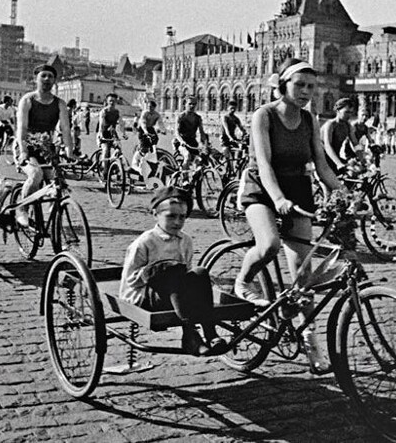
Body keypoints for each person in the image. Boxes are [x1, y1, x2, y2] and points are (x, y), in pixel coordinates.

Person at [235, 58, 343, 374]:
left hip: (297, 187)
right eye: (300, 85)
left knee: (304, 275)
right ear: (283, 85)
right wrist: (278, 198)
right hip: (262, 188)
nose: (306, 92)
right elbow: (265, 164)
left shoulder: (310, 120)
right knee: (268, 245)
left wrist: (340, 192)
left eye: (311, 86)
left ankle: (310, 343)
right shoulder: (264, 116)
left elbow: (322, 165)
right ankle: (244, 280)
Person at [120, 186, 227, 356]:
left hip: (175, 295)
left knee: (199, 272)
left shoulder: (185, 241)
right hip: (145, 297)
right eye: (171, 216)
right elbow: (129, 282)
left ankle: (210, 332)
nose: (177, 222)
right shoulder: (145, 242)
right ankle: (190, 334)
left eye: (182, 217)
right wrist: (154, 271)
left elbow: (188, 272)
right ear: (155, 215)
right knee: (171, 272)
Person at [14, 64, 74, 227]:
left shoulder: (60, 103)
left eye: (50, 76)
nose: (47, 79)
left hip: (46, 148)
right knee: (36, 174)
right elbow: (22, 128)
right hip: (26, 145)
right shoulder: (27, 100)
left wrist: (69, 151)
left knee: (58, 179)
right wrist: (24, 150)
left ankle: (53, 214)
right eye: (43, 76)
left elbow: (66, 129)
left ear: (55, 81)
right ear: (36, 79)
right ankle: (22, 209)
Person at [321, 97, 360, 174]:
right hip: (321, 159)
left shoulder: (348, 125)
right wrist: (338, 163)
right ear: (338, 110)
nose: (349, 115)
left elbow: (355, 144)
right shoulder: (330, 124)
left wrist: (363, 159)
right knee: (331, 184)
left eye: (351, 112)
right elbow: (328, 145)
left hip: (335, 157)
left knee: (353, 174)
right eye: (346, 112)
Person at [97, 93, 127, 178]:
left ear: (116, 102)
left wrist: (124, 134)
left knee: (119, 149)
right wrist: (100, 135)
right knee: (106, 150)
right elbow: (101, 124)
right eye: (110, 101)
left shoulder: (117, 112)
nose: (112, 103)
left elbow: (121, 124)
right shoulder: (104, 111)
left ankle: (116, 166)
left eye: (114, 101)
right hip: (103, 134)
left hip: (113, 134)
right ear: (107, 101)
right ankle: (105, 171)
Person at [176, 96, 209, 169]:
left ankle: (195, 179)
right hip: (182, 143)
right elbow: (177, 132)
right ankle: (185, 178)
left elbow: (201, 132)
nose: (192, 106)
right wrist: (181, 141)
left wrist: (205, 143)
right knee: (187, 156)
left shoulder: (198, 118)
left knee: (200, 160)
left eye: (194, 104)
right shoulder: (181, 117)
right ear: (185, 104)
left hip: (193, 142)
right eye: (190, 104)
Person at [131, 100, 165, 171]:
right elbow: (143, 122)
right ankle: (136, 159)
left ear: (154, 107)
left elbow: (160, 123)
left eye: (151, 107)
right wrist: (145, 131)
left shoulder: (157, 115)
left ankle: (151, 154)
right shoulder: (145, 113)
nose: (149, 108)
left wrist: (163, 130)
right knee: (144, 145)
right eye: (148, 106)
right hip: (142, 128)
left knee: (155, 139)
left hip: (150, 128)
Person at [220, 99, 247, 174]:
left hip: (233, 138)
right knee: (228, 157)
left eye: (234, 109)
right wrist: (230, 138)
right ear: (227, 108)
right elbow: (226, 129)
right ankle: (226, 171)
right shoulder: (225, 117)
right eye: (231, 108)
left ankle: (238, 164)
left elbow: (241, 128)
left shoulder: (236, 119)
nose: (232, 110)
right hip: (225, 139)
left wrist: (245, 134)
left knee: (242, 147)